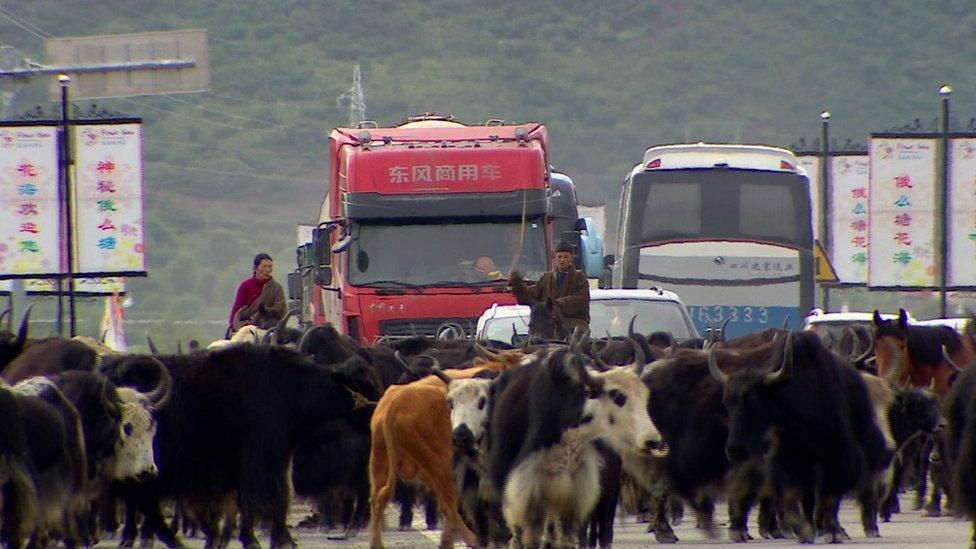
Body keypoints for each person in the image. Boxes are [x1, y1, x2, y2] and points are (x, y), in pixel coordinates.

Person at [519, 241, 590, 333]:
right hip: (547, 322)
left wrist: (559, 303)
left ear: (571, 258)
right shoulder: (546, 278)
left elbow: (582, 299)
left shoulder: (579, 278)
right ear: (555, 258)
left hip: (574, 322)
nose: (562, 260)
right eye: (559, 257)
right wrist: (519, 288)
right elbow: (533, 293)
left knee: (579, 337)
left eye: (566, 257)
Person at [228, 253, 287, 333]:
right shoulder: (245, 286)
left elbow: (277, 309)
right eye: (264, 266)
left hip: (268, 327)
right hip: (245, 327)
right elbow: (237, 310)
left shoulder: (277, 288)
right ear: (255, 268)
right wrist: (234, 326)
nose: (267, 270)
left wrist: (257, 319)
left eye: (270, 267)